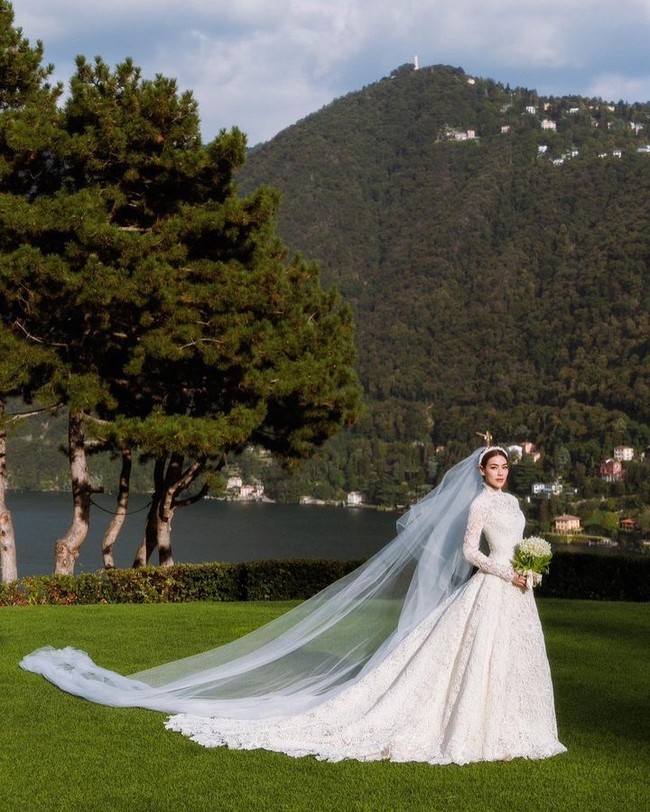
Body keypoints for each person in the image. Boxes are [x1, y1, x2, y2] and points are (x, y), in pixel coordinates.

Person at [21, 445, 566, 765]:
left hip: (517, 594)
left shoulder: (515, 503)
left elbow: (517, 542)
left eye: (503, 468)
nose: (499, 473)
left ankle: (511, 727)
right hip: (494, 585)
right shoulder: (476, 504)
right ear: (480, 472)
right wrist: (505, 569)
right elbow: (472, 550)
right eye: (492, 468)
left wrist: (528, 570)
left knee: (510, 664)